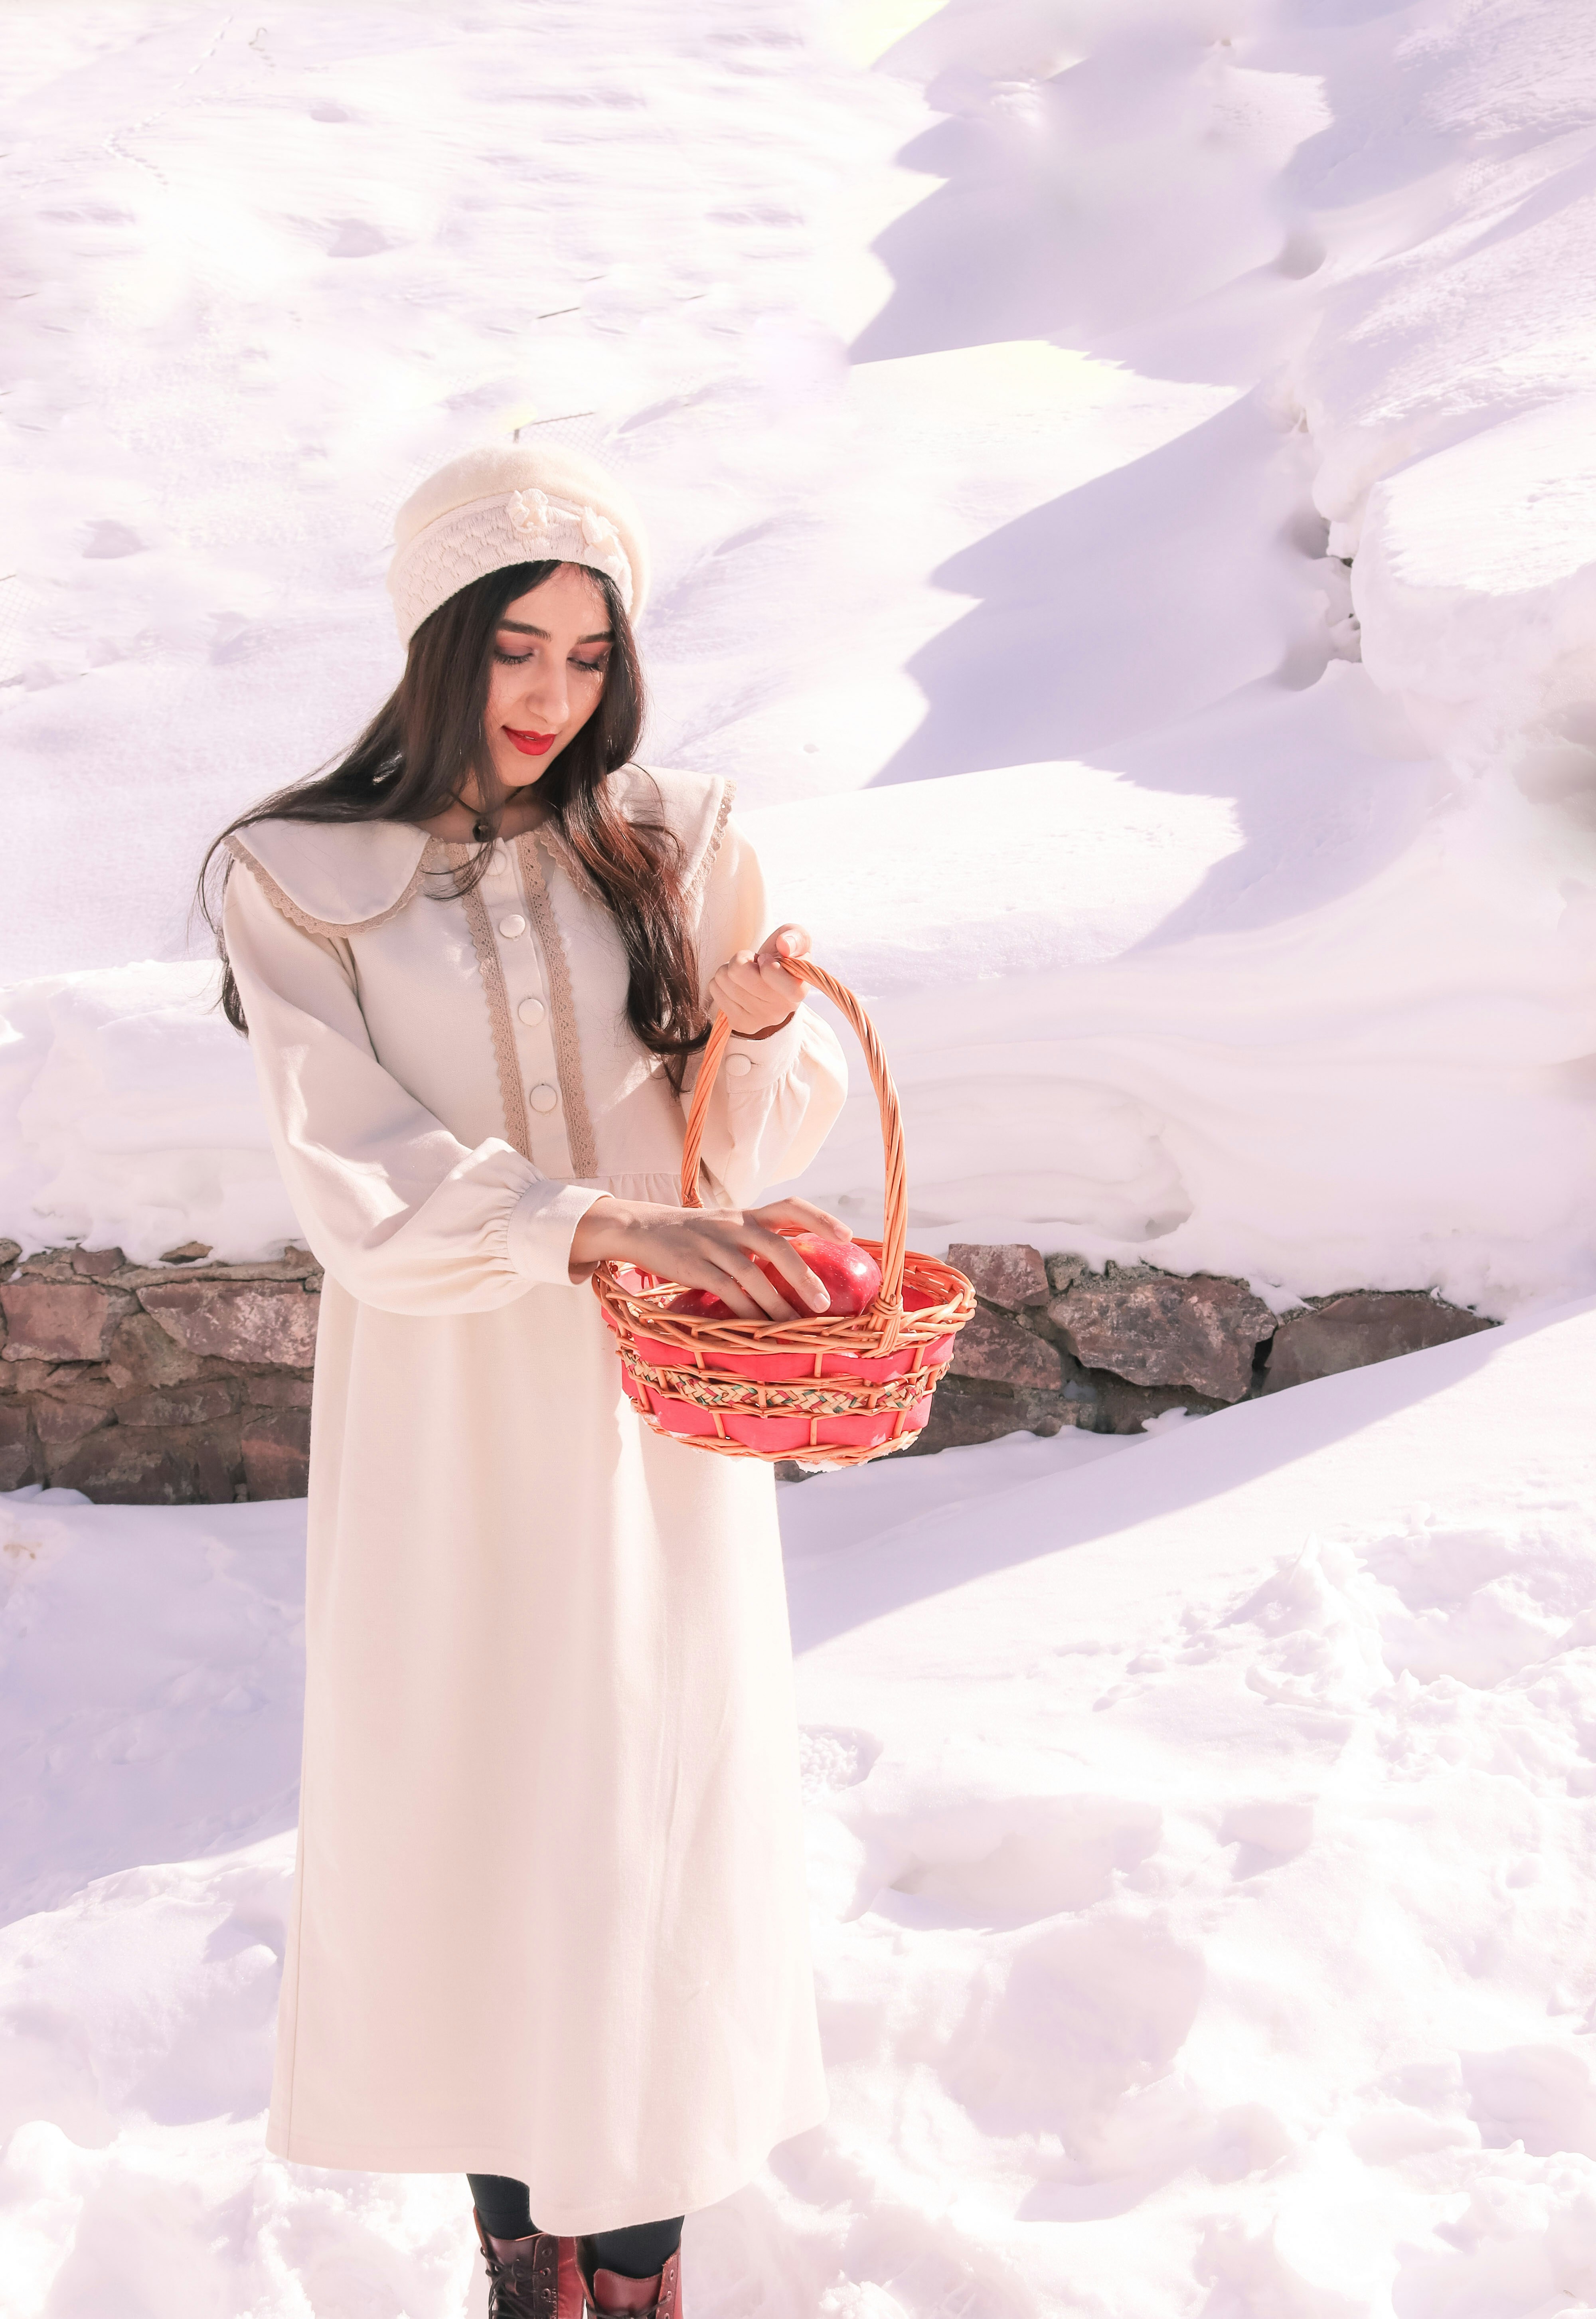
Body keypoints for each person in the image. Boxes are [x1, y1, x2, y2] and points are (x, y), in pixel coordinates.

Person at [201, 441, 850, 2319]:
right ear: (431, 645)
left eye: (585, 655)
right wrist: (587, 1224)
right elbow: (350, 1167)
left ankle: (638, 2268)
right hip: (449, 1398)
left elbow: (735, 1163)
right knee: (484, 1794)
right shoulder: (297, 877)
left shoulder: (685, 834)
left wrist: (746, 1042)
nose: (550, 698)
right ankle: (519, 2255)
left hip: (654, 1410)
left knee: (647, 1798)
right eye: (510, 652)